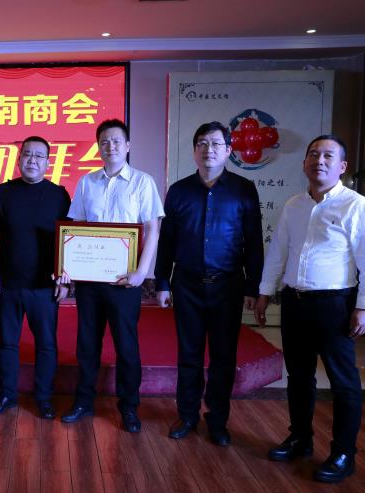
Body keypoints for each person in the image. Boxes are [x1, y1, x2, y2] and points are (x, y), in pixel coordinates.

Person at [254, 135, 363, 484]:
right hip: (295, 303)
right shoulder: (294, 205)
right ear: (304, 163)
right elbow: (278, 251)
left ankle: (344, 453)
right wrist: (264, 292)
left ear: (342, 166)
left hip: (335, 305)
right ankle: (300, 438)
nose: (320, 161)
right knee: (299, 377)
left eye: (328, 156)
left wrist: (363, 307)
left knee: (343, 382)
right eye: (313, 154)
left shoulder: (355, 205)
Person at [154, 122, 263, 446]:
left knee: (223, 356)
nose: (208, 149)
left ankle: (217, 419)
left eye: (215, 144)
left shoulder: (243, 189)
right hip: (186, 284)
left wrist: (253, 286)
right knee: (188, 354)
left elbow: (253, 241)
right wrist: (162, 282)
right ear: (194, 151)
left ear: (228, 150)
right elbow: (167, 240)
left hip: (227, 285)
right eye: (202, 143)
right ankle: (187, 415)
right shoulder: (178, 191)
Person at [60, 119, 163, 433]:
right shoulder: (86, 182)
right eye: (104, 141)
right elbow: (75, 228)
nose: (110, 146)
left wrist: (141, 272)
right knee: (87, 344)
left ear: (127, 145)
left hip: (124, 281)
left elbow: (153, 229)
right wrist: (68, 268)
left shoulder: (143, 182)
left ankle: (129, 407)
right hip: (90, 281)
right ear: (98, 146)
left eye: (116, 140)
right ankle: (83, 401)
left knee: (126, 346)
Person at [0, 136, 70, 419]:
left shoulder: (59, 195)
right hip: (7, 283)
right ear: (19, 158)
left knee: (46, 344)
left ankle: (43, 398)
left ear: (48, 162)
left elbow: (68, 240)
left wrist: (65, 280)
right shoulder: (3, 192)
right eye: (27, 154)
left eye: (39, 156)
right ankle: (6, 395)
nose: (32, 160)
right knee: (7, 342)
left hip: (44, 286)